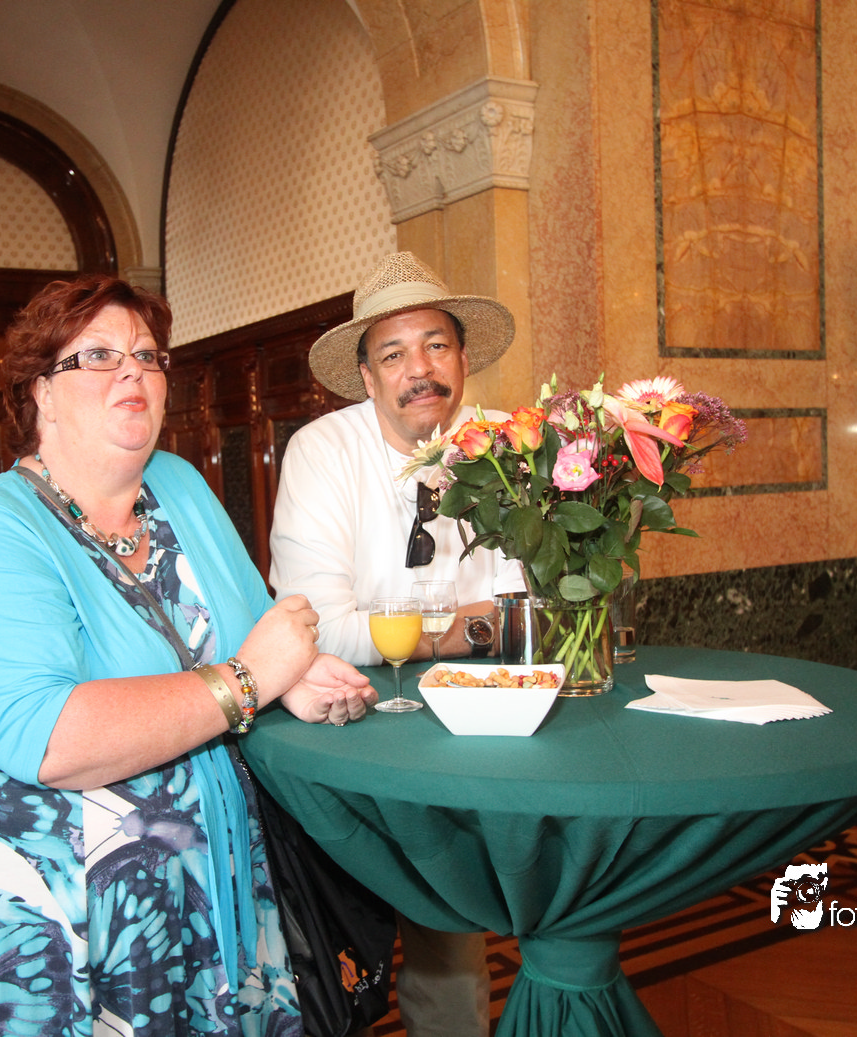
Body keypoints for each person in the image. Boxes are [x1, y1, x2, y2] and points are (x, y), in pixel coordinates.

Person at [0, 274, 376, 1037]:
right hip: (39, 919)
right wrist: (249, 680)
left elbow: (256, 637)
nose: (132, 370)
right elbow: (50, 739)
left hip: (207, 890)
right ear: (40, 391)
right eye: (98, 355)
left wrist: (290, 682)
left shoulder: (179, 486)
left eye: (146, 355)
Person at [268, 251, 524, 1037]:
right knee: (326, 948)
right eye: (393, 353)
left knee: (455, 938)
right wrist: (463, 626)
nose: (419, 369)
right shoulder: (322, 451)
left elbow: (530, 612)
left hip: (471, 730)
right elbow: (315, 626)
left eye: (436, 345)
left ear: (463, 358)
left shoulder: (504, 448)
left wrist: (439, 628)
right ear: (366, 377)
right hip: (347, 728)